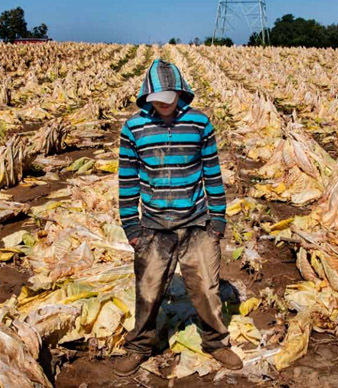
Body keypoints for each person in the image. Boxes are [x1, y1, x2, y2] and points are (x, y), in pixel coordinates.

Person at [113, 59, 243, 376]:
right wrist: (131, 226)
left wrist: (218, 220)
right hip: (153, 227)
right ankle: (140, 346)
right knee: (148, 291)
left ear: (180, 93)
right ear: (147, 96)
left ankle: (216, 343)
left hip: (197, 223)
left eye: (169, 100)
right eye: (158, 100)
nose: (164, 106)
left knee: (207, 289)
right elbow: (127, 180)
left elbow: (212, 173)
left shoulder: (199, 124)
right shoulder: (134, 128)